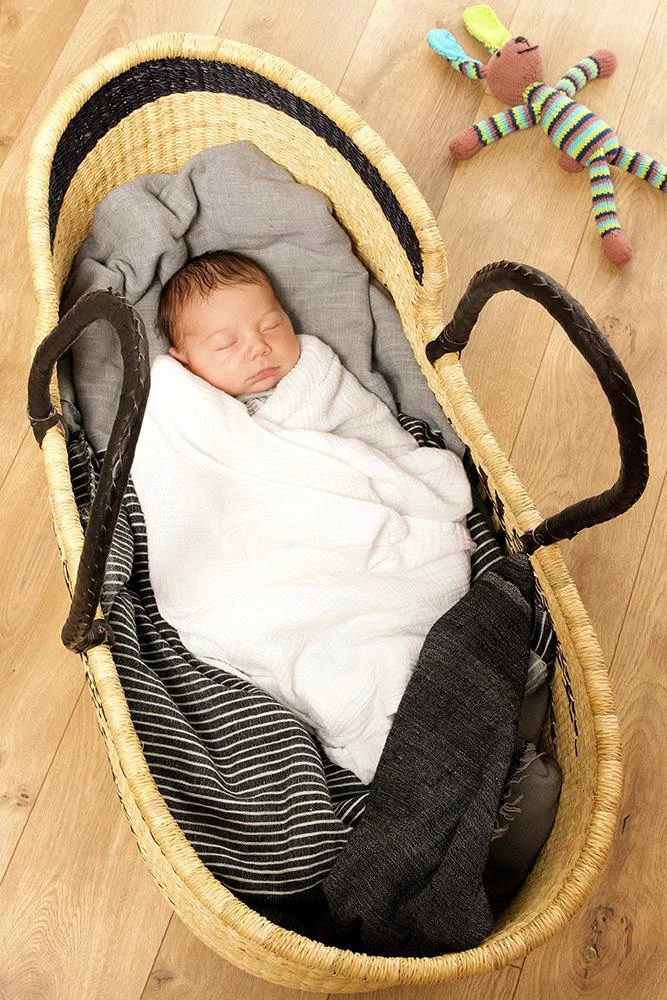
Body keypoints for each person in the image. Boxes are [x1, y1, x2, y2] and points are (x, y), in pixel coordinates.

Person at [133, 249, 476, 783]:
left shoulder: (317, 381)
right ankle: (439, 746)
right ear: (183, 360)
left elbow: (379, 447)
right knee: (327, 663)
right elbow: (186, 498)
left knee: (405, 628)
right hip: (265, 572)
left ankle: (466, 709)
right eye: (226, 344)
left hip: (366, 552)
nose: (258, 347)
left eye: (271, 325)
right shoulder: (182, 409)